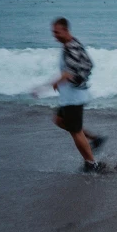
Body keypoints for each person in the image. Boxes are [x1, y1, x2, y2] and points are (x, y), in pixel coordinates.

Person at [36, 17, 106, 172]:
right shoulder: (72, 44)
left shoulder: (71, 48)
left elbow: (69, 73)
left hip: (73, 98)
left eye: (56, 32)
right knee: (60, 121)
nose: (54, 35)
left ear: (65, 30)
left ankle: (91, 164)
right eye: (53, 32)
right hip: (69, 96)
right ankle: (96, 140)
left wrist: (47, 86)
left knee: (75, 131)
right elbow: (88, 64)